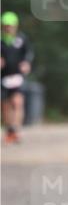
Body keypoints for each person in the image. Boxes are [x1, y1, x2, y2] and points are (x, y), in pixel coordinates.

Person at [1, 11, 33, 143]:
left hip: (17, 76)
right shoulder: (1, 40)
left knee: (18, 102)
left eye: (11, 25)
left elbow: (29, 53)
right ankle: (9, 130)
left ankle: (16, 131)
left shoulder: (21, 39)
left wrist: (26, 63)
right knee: (6, 105)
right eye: (6, 25)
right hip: (4, 76)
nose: (9, 28)